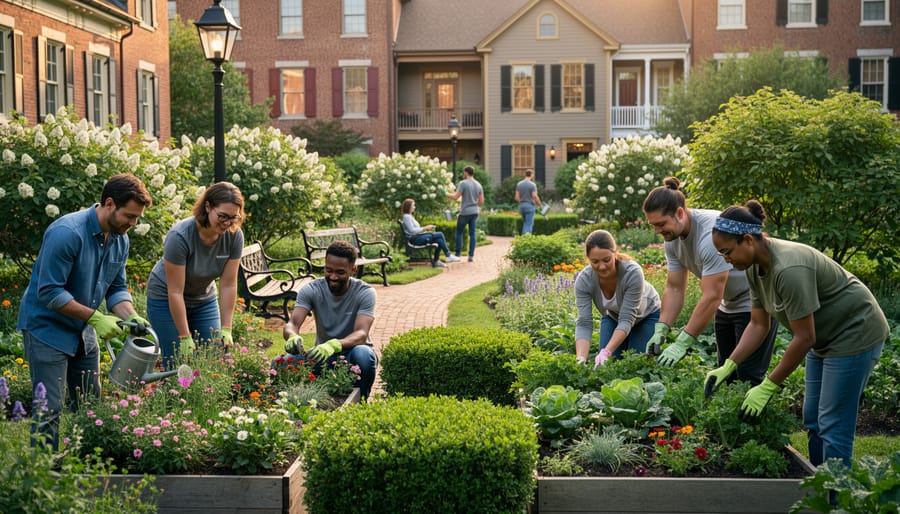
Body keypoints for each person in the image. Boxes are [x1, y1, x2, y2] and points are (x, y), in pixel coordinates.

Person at [706, 201, 888, 467]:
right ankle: (818, 488)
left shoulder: (789, 269)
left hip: (855, 332)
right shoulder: (755, 268)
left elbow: (805, 338)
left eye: (727, 252)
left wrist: (768, 386)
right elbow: (758, 324)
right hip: (824, 339)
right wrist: (729, 364)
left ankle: (837, 501)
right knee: (813, 418)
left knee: (832, 423)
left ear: (748, 240)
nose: (726, 260)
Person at [18, 174, 153, 449]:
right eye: (129, 216)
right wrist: (95, 317)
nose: (133, 223)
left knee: (90, 406)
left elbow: (117, 288)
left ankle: (83, 469)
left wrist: (130, 314)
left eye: (137, 218)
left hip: (83, 333)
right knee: (49, 409)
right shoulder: (67, 233)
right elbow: (50, 292)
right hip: (47, 330)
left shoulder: (119, 239)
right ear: (110, 203)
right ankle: (45, 479)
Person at [642, 177, 777, 385]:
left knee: (748, 377)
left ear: (679, 213)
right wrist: (662, 328)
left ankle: (757, 415)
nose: (657, 231)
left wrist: (683, 342)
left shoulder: (709, 235)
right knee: (725, 375)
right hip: (727, 305)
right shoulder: (672, 240)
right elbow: (675, 287)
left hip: (754, 302)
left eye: (661, 224)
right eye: (653, 225)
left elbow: (712, 295)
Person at [146, 182, 244, 368]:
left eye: (234, 217)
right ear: (207, 207)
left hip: (203, 299)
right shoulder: (180, 236)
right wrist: (184, 336)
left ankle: (205, 397)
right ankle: (175, 395)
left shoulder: (234, 236)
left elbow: (228, 284)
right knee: (177, 361)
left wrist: (226, 328)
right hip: (165, 299)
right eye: (222, 216)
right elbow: (175, 291)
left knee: (211, 358)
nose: (227, 223)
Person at [281, 240, 378, 399]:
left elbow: (361, 333)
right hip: (322, 356)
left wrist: (335, 344)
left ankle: (361, 403)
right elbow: (293, 323)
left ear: (353, 269)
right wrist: (292, 335)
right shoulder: (312, 289)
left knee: (364, 355)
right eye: (328, 270)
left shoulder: (365, 292)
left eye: (340, 272)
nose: (333, 277)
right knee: (281, 363)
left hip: (353, 357)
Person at [574, 230, 661, 368]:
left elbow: (627, 319)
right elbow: (584, 323)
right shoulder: (584, 280)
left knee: (636, 365)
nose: (601, 267)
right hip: (613, 317)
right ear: (588, 259)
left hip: (647, 315)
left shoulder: (632, 273)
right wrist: (581, 358)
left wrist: (606, 352)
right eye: (595, 261)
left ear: (615, 252)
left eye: (607, 260)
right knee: (608, 367)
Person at [400, 198, 460, 268]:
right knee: (440, 234)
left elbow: (415, 229)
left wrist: (426, 228)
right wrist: (425, 228)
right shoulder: (407, 217)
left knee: (439, 240)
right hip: (415, 240)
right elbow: (411, 231)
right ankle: (448, 255)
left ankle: (437, 261)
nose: (414, 207)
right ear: (408, 207)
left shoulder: (409, 216)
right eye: (413, 205)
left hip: (418, 237)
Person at [446, 165, 484, 262]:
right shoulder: (479, 184)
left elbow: (455, 197)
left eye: (464, 172)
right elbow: (481, 202)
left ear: (466, 173)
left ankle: (458, 255)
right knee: (472, 234)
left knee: (459, 233)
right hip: (475, 212)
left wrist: (445, 193)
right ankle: (471, 256)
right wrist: (473, 203)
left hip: (465, 213)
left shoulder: (463, 183)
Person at [514, 169, 543, 235]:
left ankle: (524, 238)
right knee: (528, 224)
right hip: (530, 206)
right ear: (532, 175)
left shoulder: (519, 184)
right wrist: (540, 205)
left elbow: (516, 197)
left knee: (525, 223)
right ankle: (525, 238)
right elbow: (535, 196)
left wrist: (522, 202)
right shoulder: (532, 185)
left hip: (522, 206)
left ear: (525, 174)